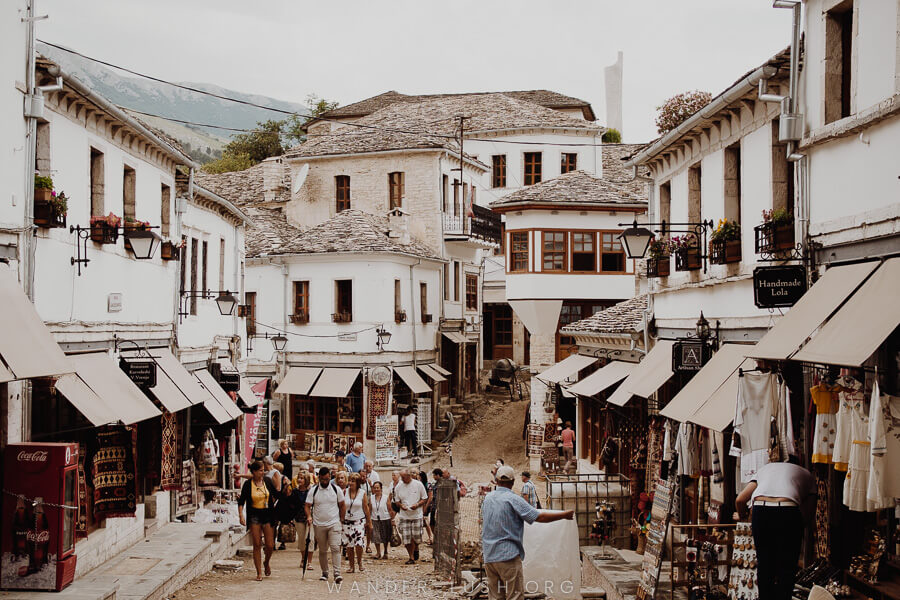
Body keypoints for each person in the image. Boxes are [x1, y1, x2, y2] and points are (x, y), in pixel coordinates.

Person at [482, 466, 574, 600]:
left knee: (495, 597)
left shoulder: (488, 498)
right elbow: (538, 517)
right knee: (515, 596)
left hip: (489, 556)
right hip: (507, 556)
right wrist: (564, 515)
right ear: (513, 482)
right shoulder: (513, 499)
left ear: (496, 481)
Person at [735, 460, 816, 600]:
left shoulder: (764, 469)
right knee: (787, 566)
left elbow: (740, 500)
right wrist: (794, 526)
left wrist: (743, 516)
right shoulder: (808, 476)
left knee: (765, 563)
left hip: (761, 509)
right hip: (788, 508)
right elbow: (807, 515)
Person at [238, 461, 278, 581]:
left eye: (263, 470)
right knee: (257, 544)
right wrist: (241, 515)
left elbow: (276, 494)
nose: (263, 472)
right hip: (254, 514)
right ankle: (259, 572)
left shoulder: (267, 481)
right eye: (260, 470)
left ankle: (266, 562)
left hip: (267, 514)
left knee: (270, 545)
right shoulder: (248, 484)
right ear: (254, 472)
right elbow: (241, 502)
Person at [305, 467, 346, 583]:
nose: (324, 481)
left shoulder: (336, 489)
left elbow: (342, 505)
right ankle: (325, 572)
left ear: (330, 477)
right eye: (322, 479)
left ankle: (337, 573)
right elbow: (307, 505)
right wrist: (309, 516)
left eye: (327, 479)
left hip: (334, 523)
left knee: (335, 547)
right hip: (319, 524)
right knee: (323, 550)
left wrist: (341, 519)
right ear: (319, 478)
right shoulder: (313, 491)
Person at [393, 468, 429, 564]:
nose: (402, 479)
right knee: (407, 537)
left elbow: (424, 498)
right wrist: (401, 506)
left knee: (416, 537)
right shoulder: (399, 486)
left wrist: (417, 505)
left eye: (404, 477)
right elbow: (396, 500)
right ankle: (411, 557)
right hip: (404, 515)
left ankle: (416, 547)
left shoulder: (418, 485)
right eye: (401, 477)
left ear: (409, 476)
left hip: (416, 515)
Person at [342, 474, 371, 573]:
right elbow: (341, 507)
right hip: (347, 521)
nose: (350, 483)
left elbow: (366, 508)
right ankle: (351, 565)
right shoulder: (345, 492)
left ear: (357, 483)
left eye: (353, 481)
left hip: (359, 521)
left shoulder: (362, 493)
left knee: (359, 543)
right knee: (349, 545)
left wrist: (369, 522)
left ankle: (359, 561)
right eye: (349, 480)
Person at [370, 481, 394, 560]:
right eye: (375, 488)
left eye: (378, 488)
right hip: (374, 518)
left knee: (385, 536)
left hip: (385, 518)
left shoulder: (385, 497)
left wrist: (392, 519)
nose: (376, 489)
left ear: (381, 488)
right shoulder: (371, 497)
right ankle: (378, 552)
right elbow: (369, 509)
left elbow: (390, 509)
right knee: (376, 536)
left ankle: (386, 551)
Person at [292, 472, 312, 568]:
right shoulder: (295, 491)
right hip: (299, 517)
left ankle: (309, 561)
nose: (299, 480)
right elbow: (291, 505)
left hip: (309, 517)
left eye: (302, 478)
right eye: (299, 478)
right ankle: (303, 558)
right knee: (301, 539)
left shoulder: (311, 491)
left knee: (309, 539)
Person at [419, 471, 434, 544]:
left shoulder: (428, 485)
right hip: (421, 505)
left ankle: (431, 537)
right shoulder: (419, 484)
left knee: (425, 519)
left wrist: (426, 507)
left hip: (427, 505)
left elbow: (430, 497)